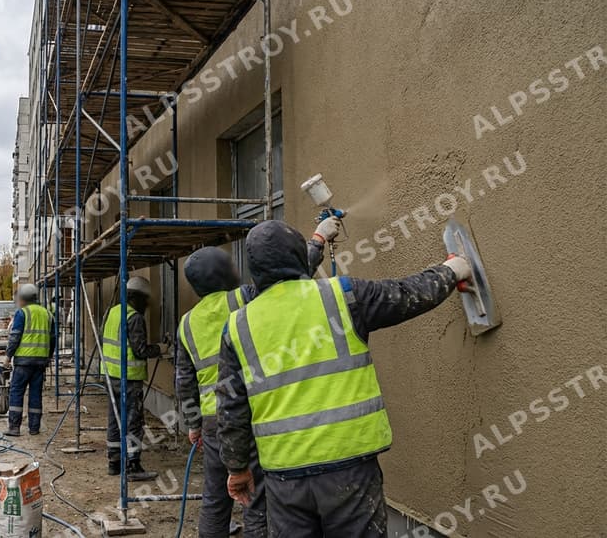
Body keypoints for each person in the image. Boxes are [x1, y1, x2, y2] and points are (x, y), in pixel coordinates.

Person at [217, 220, 471, 537]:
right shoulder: (343, 297)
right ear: (299, 257)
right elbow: (408, 295)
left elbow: (231, 409)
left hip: (284, 479)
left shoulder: (238, 326)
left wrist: (237, 468)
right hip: (350, 471)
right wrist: (454, 269)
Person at [175, 217, 340, 538]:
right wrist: (318, 239)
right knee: (255, 497)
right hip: (248, 415)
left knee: (215, 496)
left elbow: (185, 380)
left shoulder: (186, 323)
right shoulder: (243, 298)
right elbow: (285, 279)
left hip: (212, 421)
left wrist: (193, 424)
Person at [101, 275, 170, 480]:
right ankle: (132, 465)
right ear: (137, 298)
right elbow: (140, 350)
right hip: (129, 379)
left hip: (111, 375)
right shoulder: (134, 317)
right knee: (133, 421)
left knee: (115, 418)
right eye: (145, 300)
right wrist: (161, 348)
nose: (147, 305)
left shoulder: (112, 312)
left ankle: (114, 462)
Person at [3, 283, 55, 436]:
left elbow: (15, 337)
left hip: (23, 361)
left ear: (23, 299)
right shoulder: (47, 314)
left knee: (17, 392)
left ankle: (14, 427)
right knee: (35, 394)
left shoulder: (22, 313)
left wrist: (7, 357)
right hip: (40, 363)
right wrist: (49, 356)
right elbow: (53, 339)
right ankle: (34, 427)